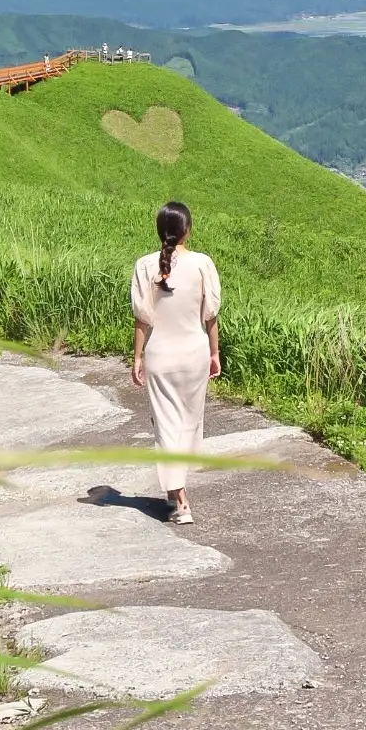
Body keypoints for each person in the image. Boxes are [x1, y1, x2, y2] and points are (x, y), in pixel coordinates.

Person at [130, 201, 221, 523]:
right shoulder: (202, 264)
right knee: (187, 422)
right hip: (194, 352)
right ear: (187, 230)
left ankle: (179, 499)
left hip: (161, 354)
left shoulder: (144, 265)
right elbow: (210, 316)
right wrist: (215, 353)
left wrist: (137, 356)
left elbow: (143, 319)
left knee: (165, 423)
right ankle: (176, 490)